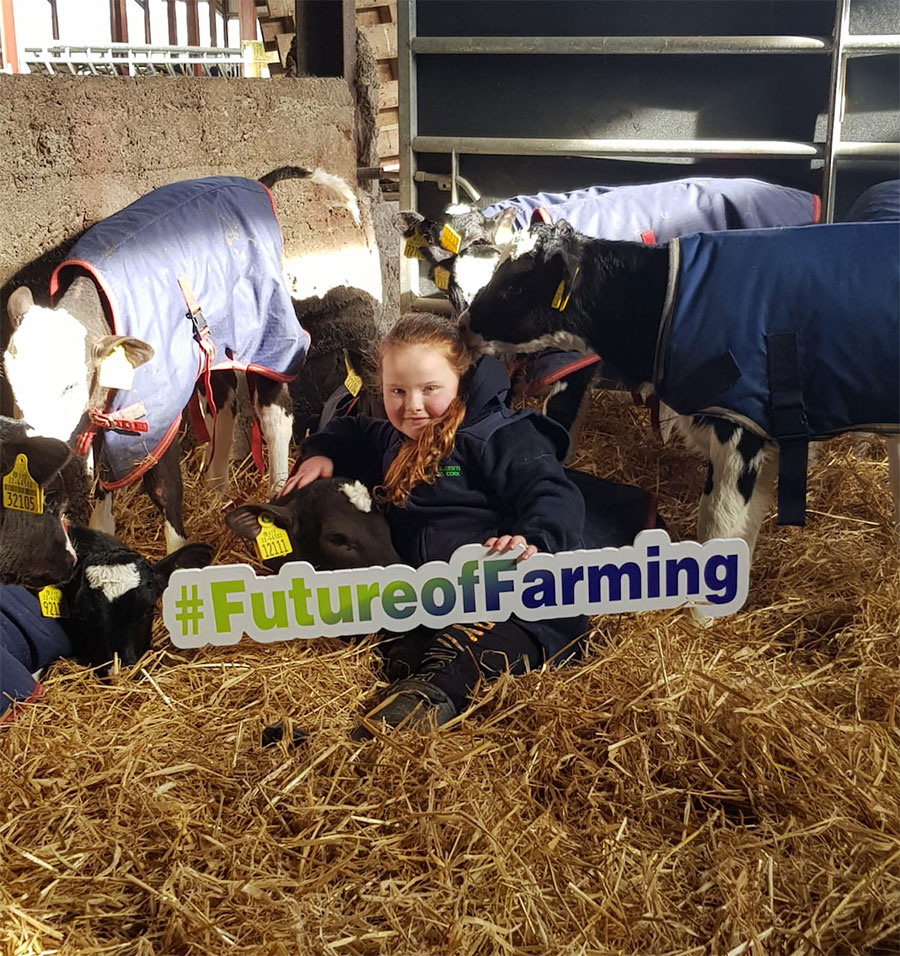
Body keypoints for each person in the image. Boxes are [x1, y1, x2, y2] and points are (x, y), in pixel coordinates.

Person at [280, 312, 587, 736]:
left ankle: (420, 705)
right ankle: (408, 684)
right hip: (431, 601)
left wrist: (533, 539)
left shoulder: (497, 437)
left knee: (473, 650)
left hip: (511, 599)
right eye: (397, 391)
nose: (413, 406)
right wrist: (321, 450)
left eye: (430, 389)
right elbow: (350, 429)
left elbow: (554, 494)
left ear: (460, 379)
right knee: (397, 645)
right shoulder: (392, 440)